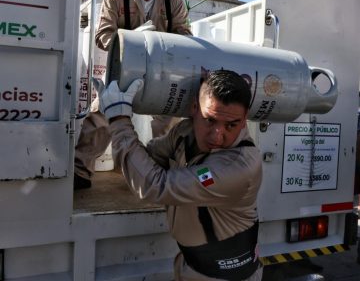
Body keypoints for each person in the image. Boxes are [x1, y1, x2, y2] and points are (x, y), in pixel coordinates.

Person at [93, 69, 263, 281]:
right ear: (194, 108)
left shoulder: (239, 167)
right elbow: (148, 160)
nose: (218, 136)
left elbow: (155, 185)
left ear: (245, 119)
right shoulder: (185, 133)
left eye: (231, 125)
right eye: (210, 120)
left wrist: (118, 118)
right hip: (190, 266)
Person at [74, 0, 192, 189]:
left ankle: (161, 172)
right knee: (101, 113)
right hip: (123, 71)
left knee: (167, 121)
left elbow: (185, 38)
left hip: (162, 75)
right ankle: (79, 170)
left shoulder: (174, 2)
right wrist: (130, 43)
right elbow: (102, 34)